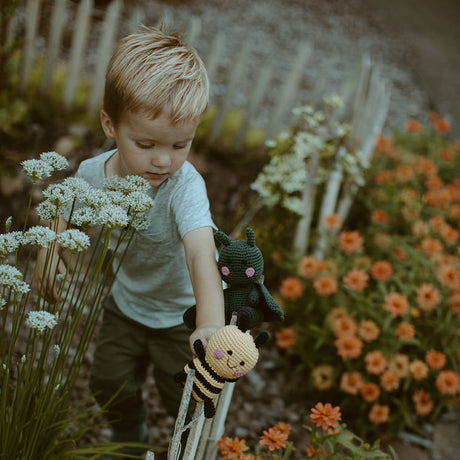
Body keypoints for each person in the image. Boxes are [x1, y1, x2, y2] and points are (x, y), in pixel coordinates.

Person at [34, 26, 225, 452]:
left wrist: (210, 321)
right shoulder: (92, 175)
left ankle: (184, 447)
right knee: (107, 380)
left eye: (181, 144)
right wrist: (51, 252)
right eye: (145, 143)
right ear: (109, 124)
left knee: (178, 391)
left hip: (181, 313)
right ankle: (129, 437)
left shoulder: (183, 186)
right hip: (126, 304)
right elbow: (62, 211)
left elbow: (199, 252)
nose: (163, 160)